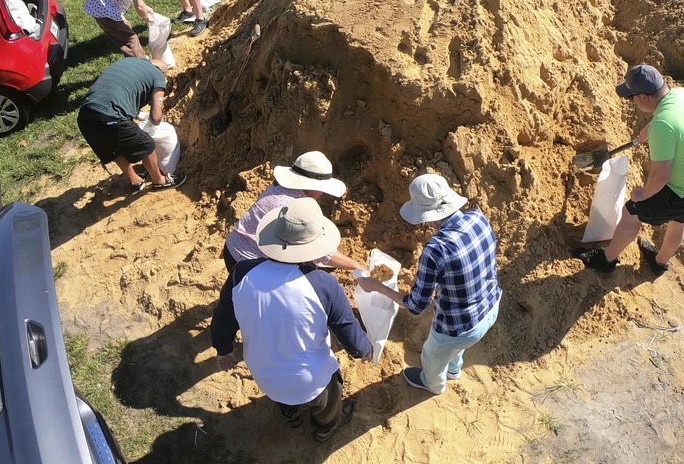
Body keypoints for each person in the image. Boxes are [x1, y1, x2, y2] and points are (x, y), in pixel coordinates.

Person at [211, 198, 372, 443]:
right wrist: (365, 350)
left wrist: (224, 351)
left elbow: (223, 320)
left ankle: (291, 416)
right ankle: (324, 429)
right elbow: (349, 333)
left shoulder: (240, 273)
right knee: (328, 398)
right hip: (311, 379)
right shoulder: (324, 284)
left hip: (262, 371)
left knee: (282, 395)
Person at [574, 65, 684, 277]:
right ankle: (659, 263)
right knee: (680, 219)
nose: (632, 101)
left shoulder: (663, 126)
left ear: (643, 97)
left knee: (632, 211)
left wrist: (642, 195)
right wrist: (651, 127)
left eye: (632, 97)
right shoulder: (683, 94)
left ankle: (607, 259)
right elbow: (674, 121)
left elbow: (660, 177)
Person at [356, 174, 501, 395]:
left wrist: (378, 286)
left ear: (427, 216)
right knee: (455, 348)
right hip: (490, 308)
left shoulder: (437, 248)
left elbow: (416, 305)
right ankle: (454, 370)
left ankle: (433, 384)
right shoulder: (478, 218)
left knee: (432, 355)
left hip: (457, 327)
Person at [223, 151, 365, 273]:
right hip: (247, 262)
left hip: (232, 248)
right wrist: (356, 266)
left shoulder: (279, 189)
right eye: (321, 187)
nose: (322, 192)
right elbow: (320, 253)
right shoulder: (294, 206)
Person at [77, 57, 186, 193]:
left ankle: (135, 180)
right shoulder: (157, 74)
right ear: (163, 72)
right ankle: (160, 181)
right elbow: (156, 118)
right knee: (147, 145)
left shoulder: (127, 62)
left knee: (113, 149)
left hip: (85, 117)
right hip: (111, 118)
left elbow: (120, 95)